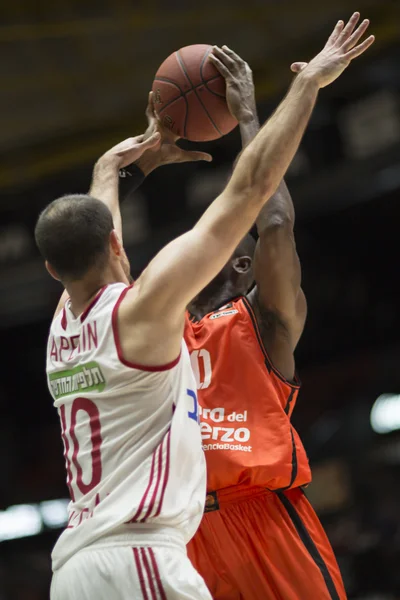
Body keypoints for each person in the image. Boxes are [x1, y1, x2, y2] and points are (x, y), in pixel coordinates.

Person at [35, 12, 373, 600]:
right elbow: (249, 189)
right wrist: (304, 85)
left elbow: (97, 221)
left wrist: (119, 167)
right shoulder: (147, 314)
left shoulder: (69, 320)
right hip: (149, 548)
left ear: (52, 271)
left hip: (94, 560)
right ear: (118, 245)